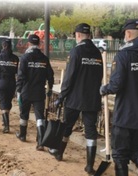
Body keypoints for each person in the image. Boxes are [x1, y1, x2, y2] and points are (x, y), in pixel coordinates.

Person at [100, 19, 138, 176]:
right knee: (136, 152)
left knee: (120, 155)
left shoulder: (124, 55)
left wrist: (104, 89)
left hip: (126, 116)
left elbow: (116, 85)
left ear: (128, 34)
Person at [48, 23, 103, 174]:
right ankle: (90, 165)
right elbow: (100, 76)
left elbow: (69, 78)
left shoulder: (76, 52)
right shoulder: (98, 53)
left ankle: (59, 152)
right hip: (92, 99)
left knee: (67, 126)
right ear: (89, 35)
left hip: (75, 98)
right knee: (91, 131)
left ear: (78, 36)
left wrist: (61, 96)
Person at [15, 34, 54, 151]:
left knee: (24, 114)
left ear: (29, 44)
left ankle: (22, 135)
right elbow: (50, 75)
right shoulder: (44, 58)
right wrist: (50, 88)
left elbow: (20, 76)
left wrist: (18, 90)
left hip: (26, 91)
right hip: (39, 92)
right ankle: (40, 142)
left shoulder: (25, 58)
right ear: (39, 44)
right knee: (40, 117)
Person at [0, 39, 19, 133]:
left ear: (3, 46)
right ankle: (4, 119)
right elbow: (17, 72)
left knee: (3, 103)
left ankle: (6, 126)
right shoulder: (16, 58)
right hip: (12, 83)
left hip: (2, 82)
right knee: (8, 101)